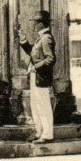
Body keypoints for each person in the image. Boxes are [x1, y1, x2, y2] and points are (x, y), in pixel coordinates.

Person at [19, 10, 56, 143]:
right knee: (35, 106)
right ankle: (39, 132)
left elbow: (50, 59)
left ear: (41, 24)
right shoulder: (41, 38)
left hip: (41, 78)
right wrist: (24, 41)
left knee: (42, 106)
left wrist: (35, 67)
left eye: (35, 22)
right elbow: (34, 53)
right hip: (36, 78)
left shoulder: (46, 38)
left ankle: (47, 134)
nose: (34, 25)